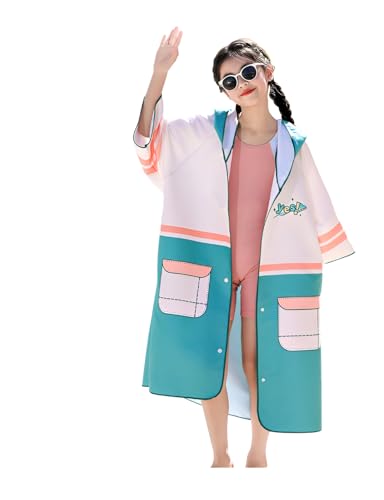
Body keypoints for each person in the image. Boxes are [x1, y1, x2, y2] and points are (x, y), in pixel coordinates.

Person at [134, 26, 355, 468]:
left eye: (248, 72)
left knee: (259, 362)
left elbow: (314, 210)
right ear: (224, 91)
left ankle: (258, 453)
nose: (241, 84)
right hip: (209, 261)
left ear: (268, 71)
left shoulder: (294, 147)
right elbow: (149, 144)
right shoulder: (205, 133)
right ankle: (220, 456)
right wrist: (160, 73)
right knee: (209, 362)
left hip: (266, 270)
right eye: (229, 81)